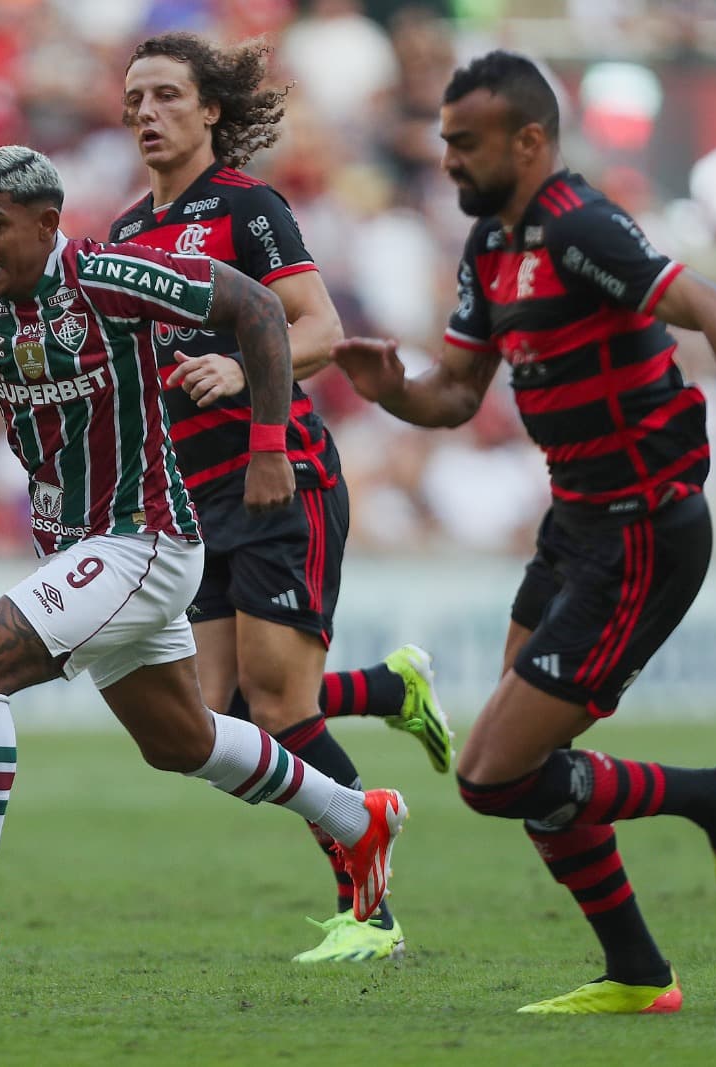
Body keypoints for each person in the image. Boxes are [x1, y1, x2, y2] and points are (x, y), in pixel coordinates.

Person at [331, 51, 716, 1013]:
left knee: (491, 775)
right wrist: (392, 392)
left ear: (529, 141)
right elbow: (455, 394)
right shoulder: (490, 246)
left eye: (466, 142)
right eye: (445, 140)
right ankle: (638, 974)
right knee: (521, 766)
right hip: (575, 522)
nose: (446, 158)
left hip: (643, 532)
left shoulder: (580, 226)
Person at [0, 145, 409, 961]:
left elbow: (257, 306)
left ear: (47, 224)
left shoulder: (110, 278)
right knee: (182, 740)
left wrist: (266, 444)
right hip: (80, 547)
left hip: (145, 536)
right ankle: (358, 818)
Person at [111, 32, 451, 965]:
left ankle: (371, 912)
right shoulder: (125, 236)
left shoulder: (246, 207)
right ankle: (388, 688)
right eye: (135, 98)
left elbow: (320, 326)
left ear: (210, 109)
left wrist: (237, 363)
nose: (146, 112)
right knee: (210, 719)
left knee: (282, 711)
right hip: (193, 498)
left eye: (167, 95)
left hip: (278, 476)